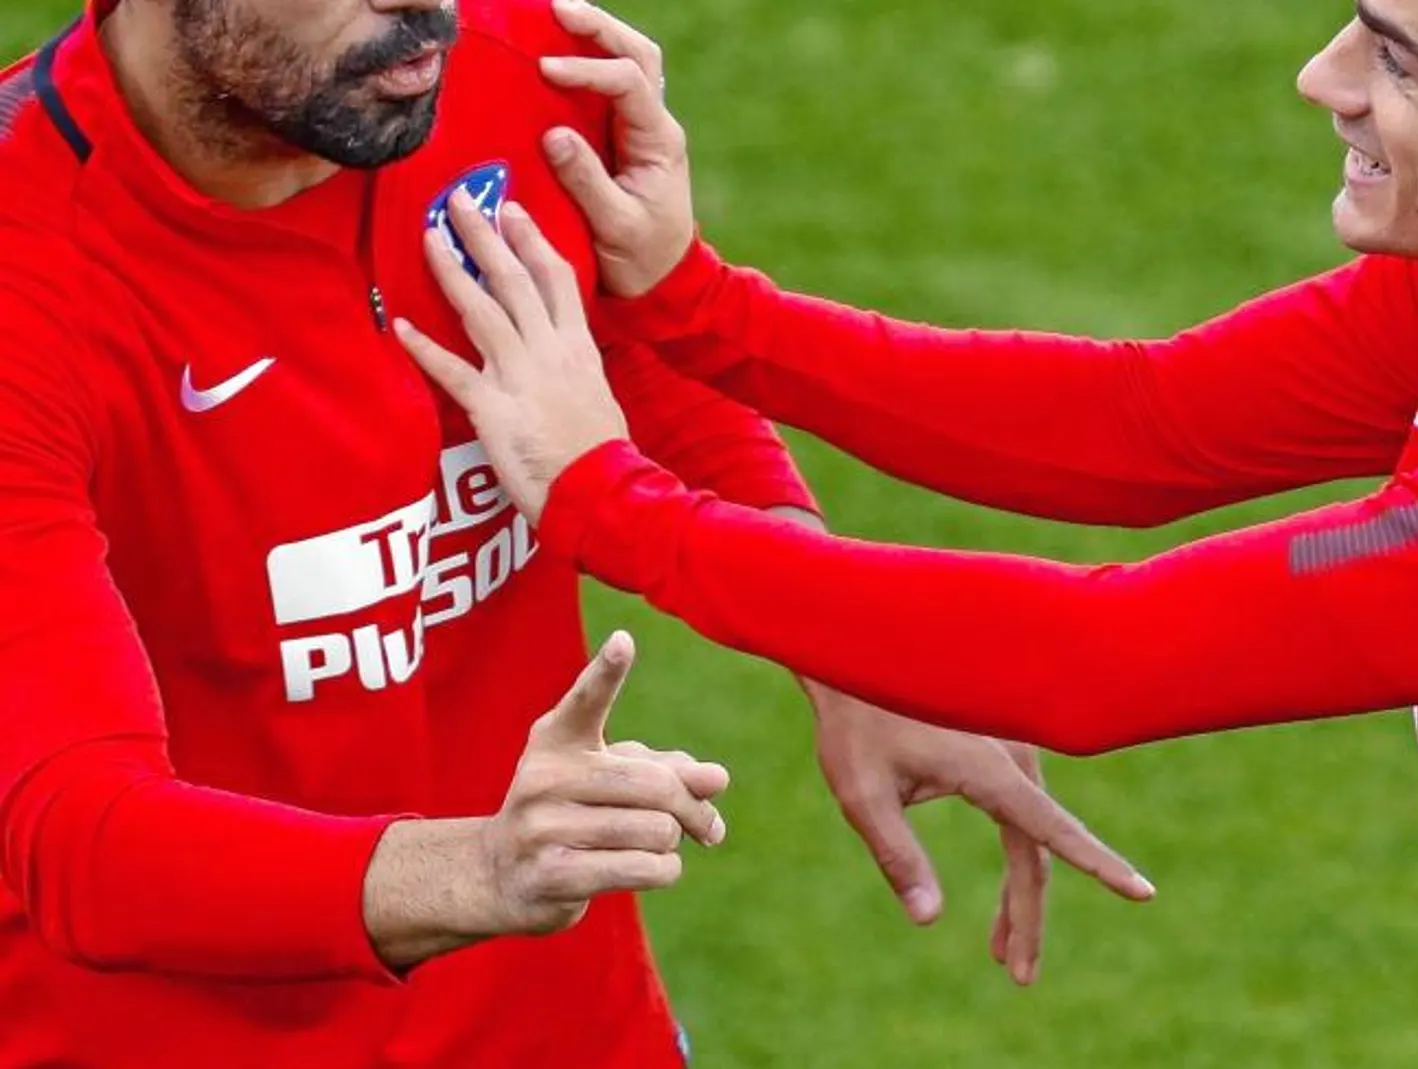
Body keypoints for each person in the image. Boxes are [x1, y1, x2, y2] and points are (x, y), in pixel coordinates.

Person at [404, 0, 1418, 1065]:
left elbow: (1099, 657)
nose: (1325, 81)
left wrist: (610, 495)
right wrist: (701, 308)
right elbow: (1151, 427)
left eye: (1396, 58)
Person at [0, 0, 1153, 1066]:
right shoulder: (29, 278)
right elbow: (80, 839)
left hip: (561, 1021)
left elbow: (624, 340)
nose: (427, 14)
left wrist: (837, 630)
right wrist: (485, 866)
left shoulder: (497, 67)